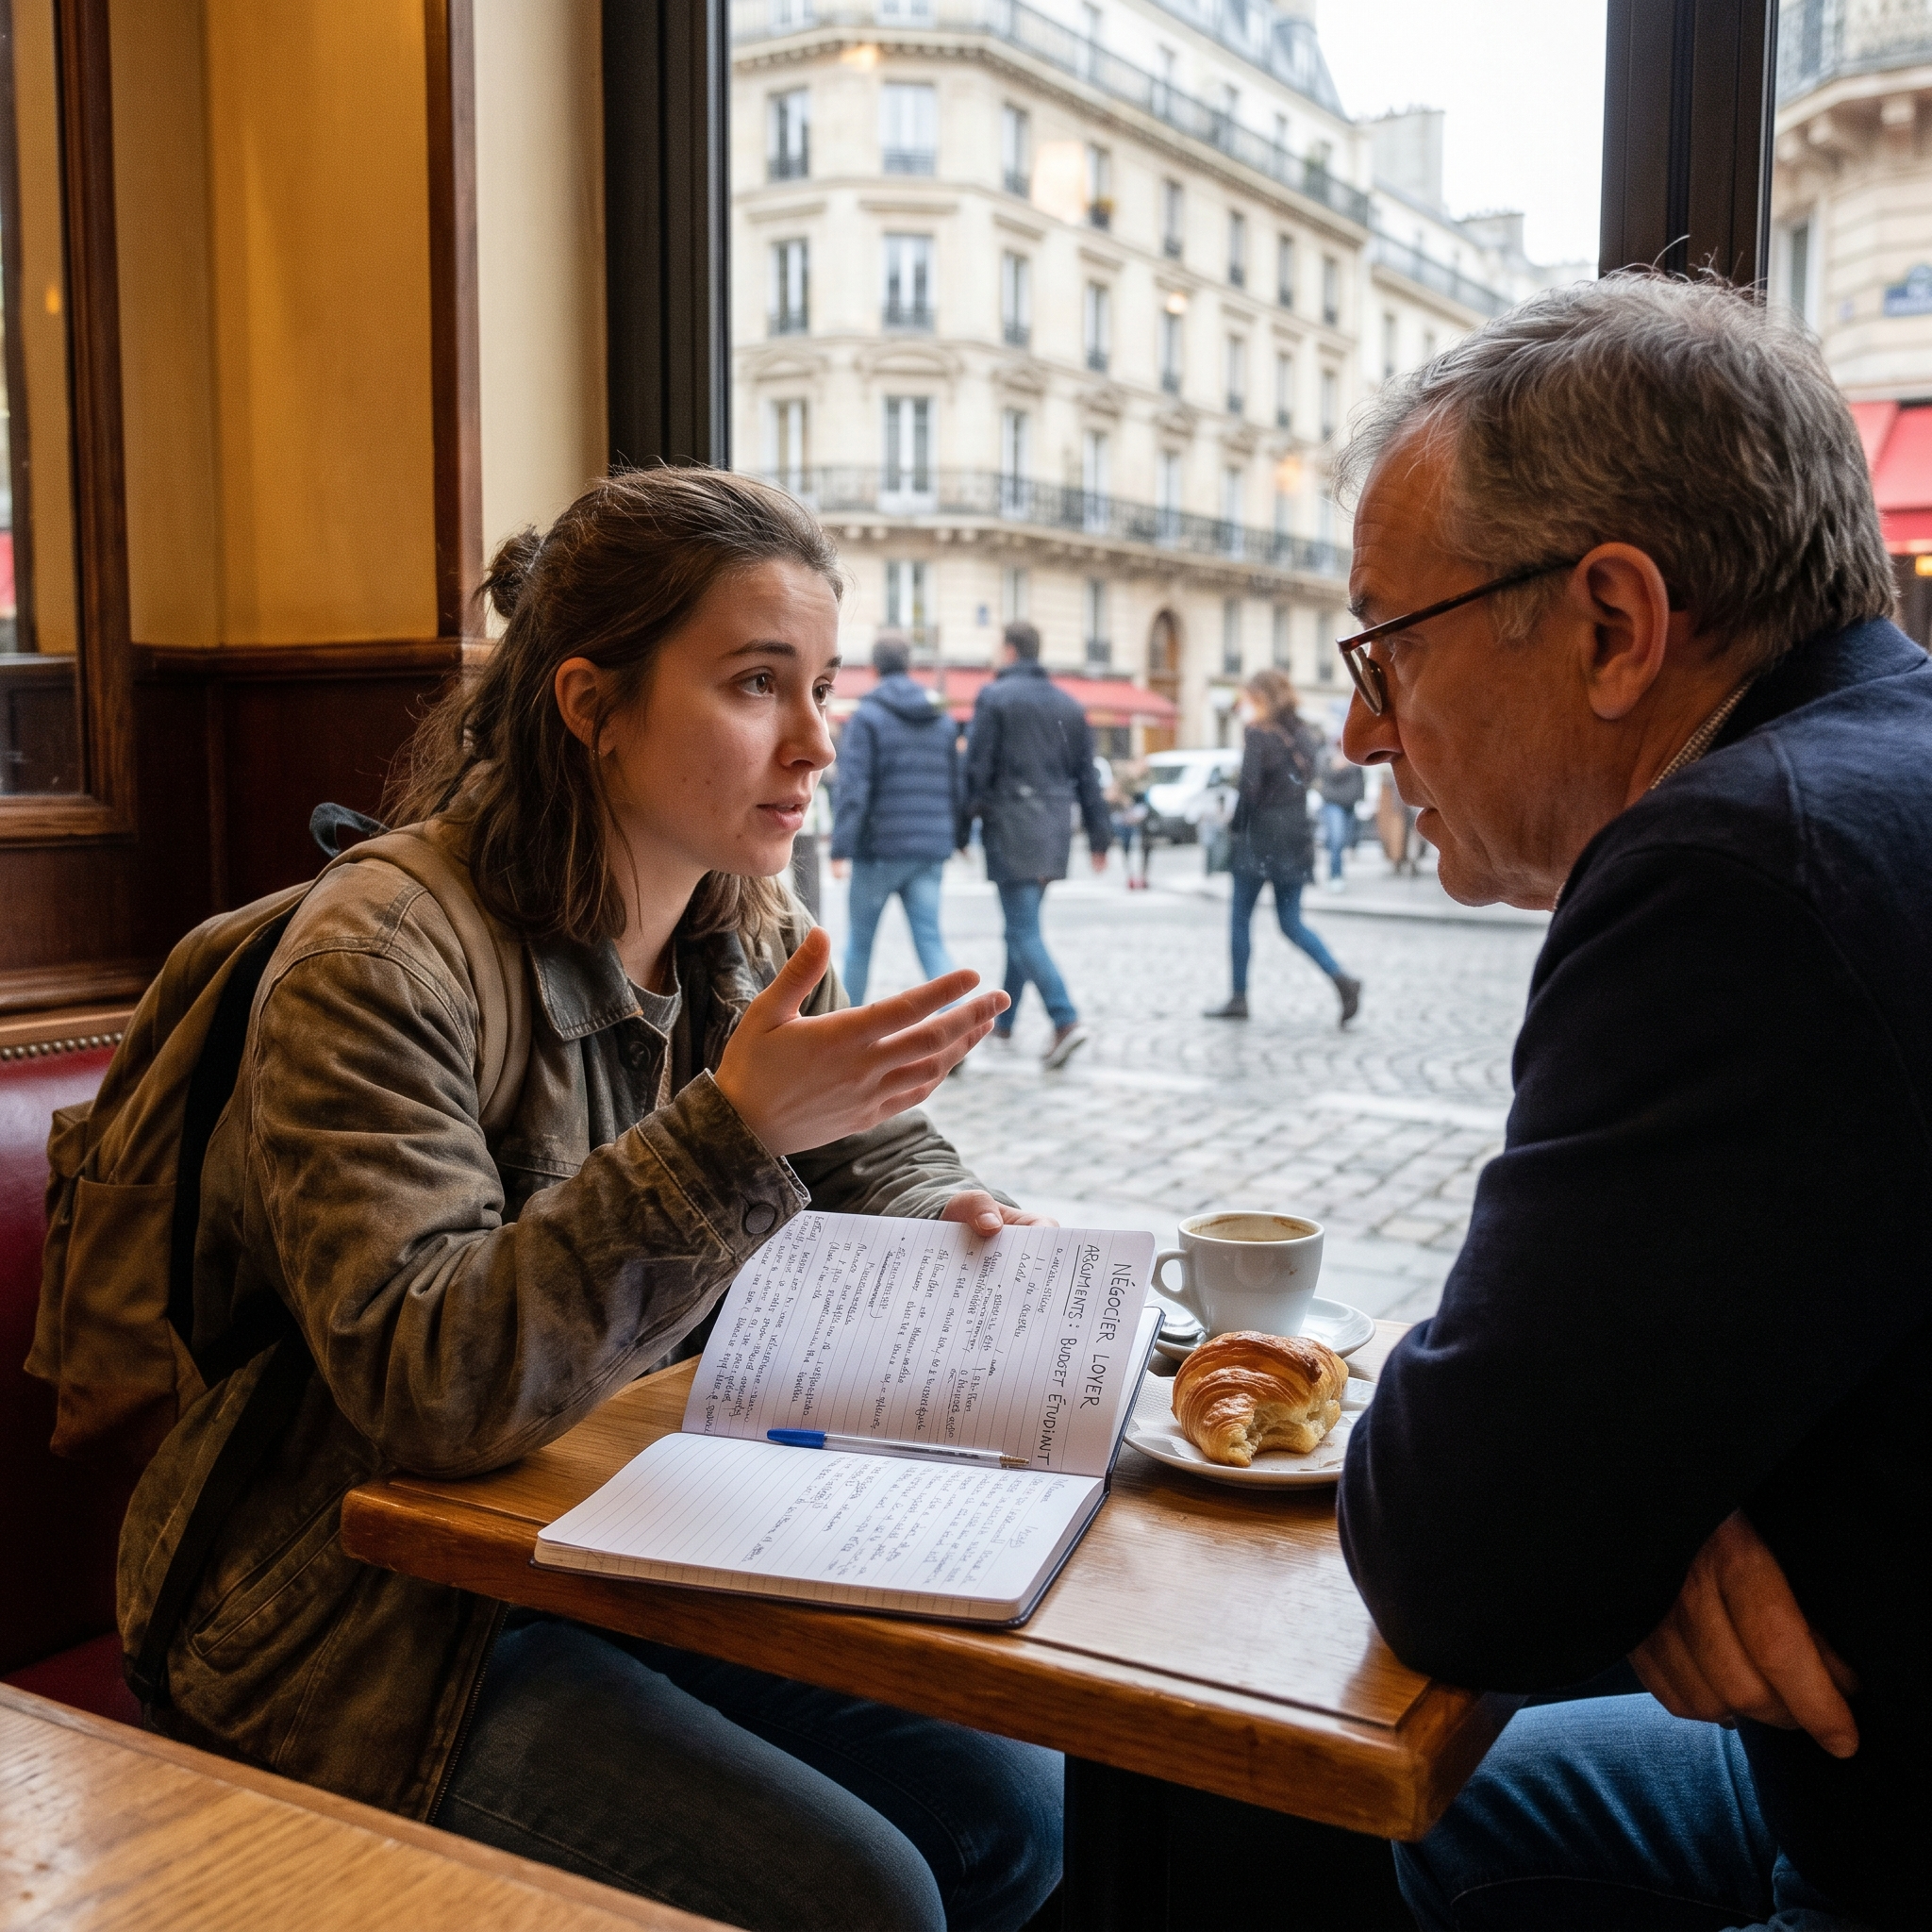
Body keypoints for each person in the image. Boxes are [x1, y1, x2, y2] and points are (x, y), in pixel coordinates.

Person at [120, 468, 1062, 1932]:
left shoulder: (741, 922)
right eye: (760, 685)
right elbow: (426, 1381)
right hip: (356, 1616)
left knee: (1018, 1811)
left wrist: (966, 1211)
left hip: (632, 1537)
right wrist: (735, 1132)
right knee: (860, 1897)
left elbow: (875, 1153)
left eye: (821, 684)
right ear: (589, 703)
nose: (818, 743)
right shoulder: (377, 964)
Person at [1330, 275, 1926, 1930]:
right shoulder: (1883, 765)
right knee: (1452, 1818)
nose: (1362, 730)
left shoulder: (1735, 874)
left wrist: (1604, 1509)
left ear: (1609, 623)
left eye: (1385, 644)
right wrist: (1648, 1503)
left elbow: (1457, 1553)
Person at [962, 620, 1113, 1068]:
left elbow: (975, 769)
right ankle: (1005, 1024)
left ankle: (1065, 1019)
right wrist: (1100, 836)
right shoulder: (1066, 703)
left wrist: (960, 827)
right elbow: (1088, 776)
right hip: (1053, 829)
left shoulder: (995, 698)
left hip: (1011, 824)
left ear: (1009, 651)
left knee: (1023, 930)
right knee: (1020, 928)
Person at [1203, 667, 1360, 1025]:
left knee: (1240, 918)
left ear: (1260, 698)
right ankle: (1341, 979)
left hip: (1260, 838)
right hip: (1296, 836)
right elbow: (1306, 780)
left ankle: (1239, 996)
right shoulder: (1303, 733)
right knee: (1291, 922)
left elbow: (1249, 790)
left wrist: (1234, 828)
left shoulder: (1258, 734)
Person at [828, 633, 961, 1003]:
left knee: (859, 945)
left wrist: (840, 849)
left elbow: (854, 789)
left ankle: (844, 1033)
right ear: (909, 666)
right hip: (930, 849)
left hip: (879, 851)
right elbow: (955, 786)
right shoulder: (942, 720)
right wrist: (958, 838)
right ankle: (958, 1028)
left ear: (873, 669)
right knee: (931, 940)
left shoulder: (867, 718)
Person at [1315, 739, 1364, 890]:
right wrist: (1338, 767)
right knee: (1336, 840)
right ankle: (1335, 875)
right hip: (1333, 804)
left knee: (1343, 840)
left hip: (1349, 804)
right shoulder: (1327, 756)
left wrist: (1361, 797)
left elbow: (1360, 779)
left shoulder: (1354, 756)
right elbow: (1325, 775)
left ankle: (1337, 874)